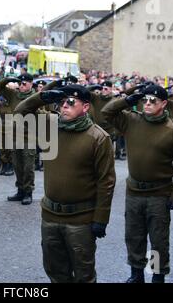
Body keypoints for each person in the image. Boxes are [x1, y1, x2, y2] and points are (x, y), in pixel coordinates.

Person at [14, 85, 116, 283]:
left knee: (83, 275)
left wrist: (100, 219)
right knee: (55, 272)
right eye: (61, 103)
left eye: (70, 102)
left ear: (85, 107)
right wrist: (43, 97)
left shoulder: (98, 137)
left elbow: (106, 182)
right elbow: (20, 112)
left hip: (81, 220)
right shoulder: (50, 126)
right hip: (51, 216)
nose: (64, 107)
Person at [102, 84, 173, 283]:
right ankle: (137, 274)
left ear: (164, 104)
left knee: (158, 240)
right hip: (134, 192)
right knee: (134, 236)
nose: (148, 104)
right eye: (145, 100)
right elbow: (106, 112)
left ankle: (157, 275)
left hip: (159, 195)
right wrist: (130, 99)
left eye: (153, 101)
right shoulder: (132, 120)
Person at [0, 74, 37, 205]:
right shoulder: (13, 95)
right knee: (17, 165)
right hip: (14, 136)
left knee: (28, 166)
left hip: (29, 137)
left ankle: (28, 192)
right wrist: (10, 79)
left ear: (31, 84)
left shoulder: (35, 98)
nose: (21, 86)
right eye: (20, 83)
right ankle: (20, 190)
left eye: (25, 84)